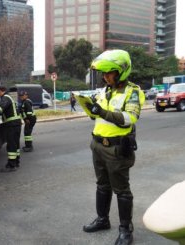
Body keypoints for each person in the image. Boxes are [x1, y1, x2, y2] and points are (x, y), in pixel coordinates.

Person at [82, 49, 145, 245]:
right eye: (104, 73)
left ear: (121, 72)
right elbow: (98, 115)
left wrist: (101, 111)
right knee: (102, 186)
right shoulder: (105, 91)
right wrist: (90, 108)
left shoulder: (133, 91)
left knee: (122, 191)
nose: (105, 76)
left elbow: (129, 118)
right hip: (98, 146)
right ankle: (103, 220)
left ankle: (126, 230)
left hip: (117, 150)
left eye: (109, 72)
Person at [0, 86, 21, 172]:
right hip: (16, 123)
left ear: (2, 91)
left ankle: (11, 165)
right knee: (15, 144)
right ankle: (16, 162)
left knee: (11, 145)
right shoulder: (9, 98)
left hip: (12, 124)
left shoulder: (5, 97)